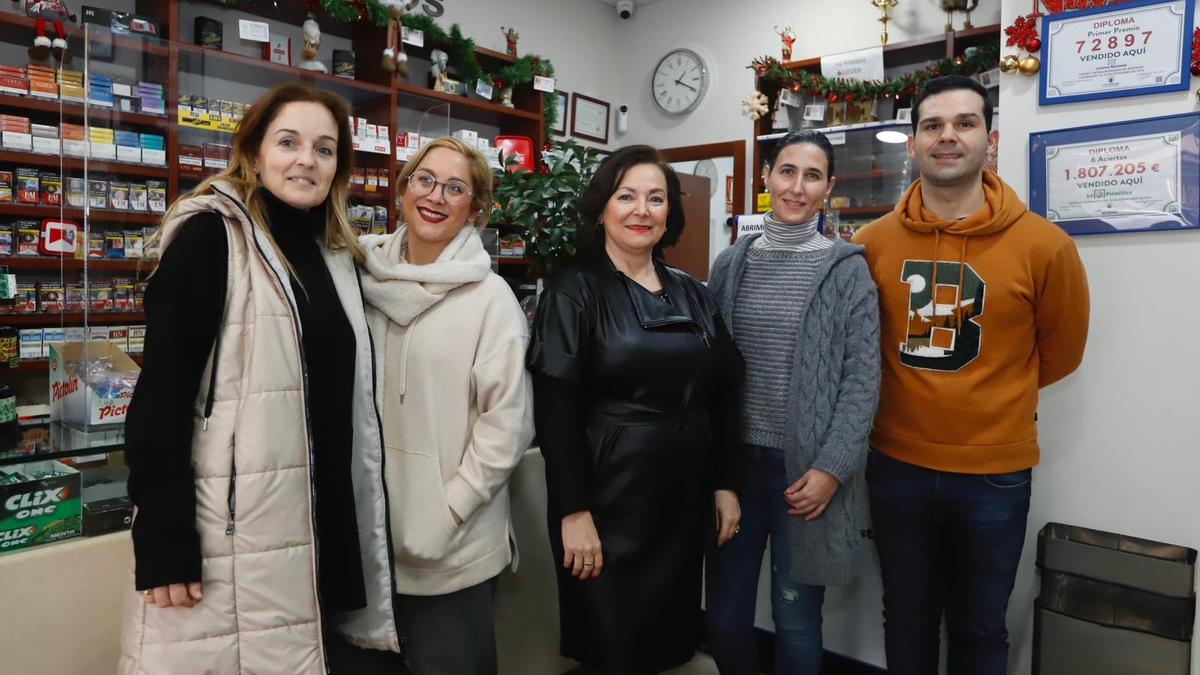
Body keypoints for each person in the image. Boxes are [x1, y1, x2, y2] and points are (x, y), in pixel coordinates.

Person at [120, 82, 403, 674]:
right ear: (252, 153)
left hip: (318, 527)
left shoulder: (335, 254)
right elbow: (162, 399)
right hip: (239, 529)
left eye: (325, 149)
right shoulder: (210, 237)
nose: (307, 159)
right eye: (289, 142)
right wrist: (164, 536)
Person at [852, 74, 1090, 675]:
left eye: (964, 123)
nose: (947, 137)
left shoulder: (1045, 246)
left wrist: (991, 398)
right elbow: (857, 349)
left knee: (980, 628)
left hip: (994, 475)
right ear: (911, 144)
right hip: (895, 466)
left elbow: (1060, 351)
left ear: (991, 139)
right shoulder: (870, 244)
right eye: (931, 126)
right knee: (905, 617)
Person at [527, 145, 744, 674]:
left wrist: (725, 483)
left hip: (679, 504)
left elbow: (725, 390)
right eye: (626, 196)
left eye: (655, 198)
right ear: (602, 206)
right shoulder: (572, 292)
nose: (641, 210)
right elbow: (554, 411)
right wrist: (573, 513)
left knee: (668, 646)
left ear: (670, 211)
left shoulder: (694, 295)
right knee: (611, 647)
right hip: (606, 503)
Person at [705, 130, 881, 675]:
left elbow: (862, 381)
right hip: (736, 472)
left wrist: (831, 468)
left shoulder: (848, 269)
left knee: (797, 620)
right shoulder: (731, 264)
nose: (797, 187)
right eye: (787, 172)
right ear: (766, 179)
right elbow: (709, 374)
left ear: (828, 187)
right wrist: (717, 471)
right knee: (726, 621)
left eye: (811, 176)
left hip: (806, 478)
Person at [358, 136, 534, 674]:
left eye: (456, 188)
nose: (436, 196)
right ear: (404, 188)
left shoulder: (491, 300)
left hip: (451, 550)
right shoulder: (359, 277)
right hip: (367, 543)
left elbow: (508, 426)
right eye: (426, 180)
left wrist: (450, 509)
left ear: (475, 209)